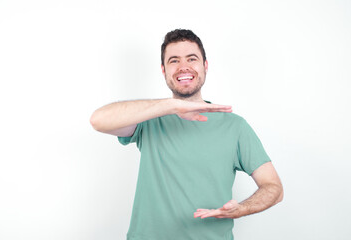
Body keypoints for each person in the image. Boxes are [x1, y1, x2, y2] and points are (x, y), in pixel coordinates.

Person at [90, 29, 283, 240]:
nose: (183, 66)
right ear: (163, 70)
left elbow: (273, 187)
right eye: (174, 60)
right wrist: (172, 106)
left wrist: (241, 209)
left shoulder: (235, 127)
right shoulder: (150, 118)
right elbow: (98, 120)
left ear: (205, 66)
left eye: (192, 59)